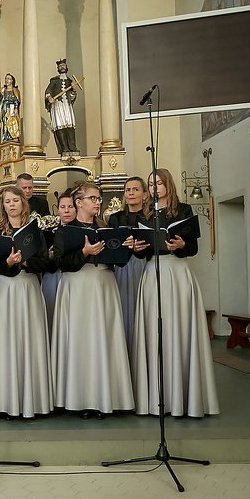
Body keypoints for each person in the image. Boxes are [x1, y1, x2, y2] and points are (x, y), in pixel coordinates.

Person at [131, 169, 219, 418]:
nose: (154, 188)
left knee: (179, 330)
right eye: (150, 184)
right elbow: (140, 250)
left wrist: (181, 245)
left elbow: (192, 246)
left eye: (158, 183)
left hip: (178, 272)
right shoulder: (143, 213)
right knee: (153, 331)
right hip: (152, 272)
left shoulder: (183, 210)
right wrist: (138, 248)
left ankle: (184, 398)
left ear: (167, 185)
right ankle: (156, 398)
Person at [52, 182, 135, 417]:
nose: (97, 202)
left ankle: (105, 396)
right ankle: (80, 399)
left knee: (103, 339)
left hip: (103, 286)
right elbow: (61, 263)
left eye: (99, 199)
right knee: (80, 342)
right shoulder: (65, 231)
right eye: (93, 198)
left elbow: (119, 262)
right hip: (77, 287)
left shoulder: (107, 228)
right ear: (79, 202)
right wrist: (84, 253)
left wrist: (126, 248)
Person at [0, 186, 53, 418]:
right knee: (4, 342)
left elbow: (46, 264)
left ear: (24, 203)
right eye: (7, 201)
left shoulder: (35, 232)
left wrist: (25, 263)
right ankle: (4, 401)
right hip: (3, 290)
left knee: (28, 340)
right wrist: (9, 262)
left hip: (27, 288)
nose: (11, 204)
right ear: (2, 206)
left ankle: (31, 400)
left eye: (15, 200)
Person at [108, 177, 152, 350]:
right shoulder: (115, 218)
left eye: (135, 189)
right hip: (122, 267)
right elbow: (111, 243)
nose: (131, 193)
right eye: (128, 190)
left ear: (144, 194)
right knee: (124, 308)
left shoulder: (150, 217)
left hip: (144, 265)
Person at [42, 190, 77, 332]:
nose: (66, 211)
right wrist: (49, 256)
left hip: (73, 279)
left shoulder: (80, 230)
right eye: (62, 207)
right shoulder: (48, 232)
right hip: (53, 278)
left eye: (70, 206)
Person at [44, 58, 79, 155]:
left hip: (67, 106)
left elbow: (72, 98)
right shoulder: (54, 81)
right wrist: (50, 97)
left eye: (63, 65)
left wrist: (74, 91)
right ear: (58, 68)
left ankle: (72, 147)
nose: (62, 67)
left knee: (70, 125)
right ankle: (64, 148)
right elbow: (48, 91)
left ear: (66, 67)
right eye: (60, 66)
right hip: (57, 105)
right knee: (60, 126)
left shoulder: (70, 82)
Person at [0, 73, 22, 144]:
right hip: (4, 107)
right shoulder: (3, 90)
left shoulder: (15, 90)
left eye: (9, 79)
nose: (7, 80)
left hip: (12, 107)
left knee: (12, 121)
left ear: (12, 81)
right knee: (5, 122)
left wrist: (16, 108)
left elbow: (17, 100)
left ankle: (13, 136)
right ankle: (6, 137)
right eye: (6, 78)